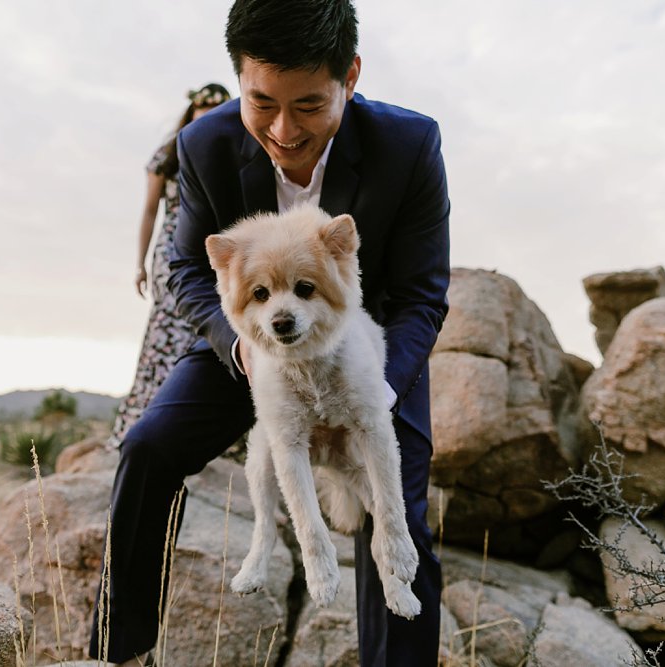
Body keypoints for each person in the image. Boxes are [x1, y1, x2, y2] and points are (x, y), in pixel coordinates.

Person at [90, 0, 450, 664]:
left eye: (310, 106)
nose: (283, 130)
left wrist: (377, 389)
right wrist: (239, 348)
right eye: (263, 104)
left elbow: (423, 294)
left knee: (398, 507)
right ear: (240, 81)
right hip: (257, 346)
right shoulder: (203, 144)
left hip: (367, 350)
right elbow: (183, 269)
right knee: (147, 447)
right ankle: (119, 650)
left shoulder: (411, 145)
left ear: (351, 75)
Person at [108, 83, 232, 447]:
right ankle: (145, 422)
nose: (207, 114)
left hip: (214, 255)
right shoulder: (169, 153)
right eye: (202, 107)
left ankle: (200, 428)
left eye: (217, 107)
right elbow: (149, 211)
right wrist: (140, 264)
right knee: (165, 336)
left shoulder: (231, 150)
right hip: (173, 253)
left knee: (207, 333)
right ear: (191, 111)